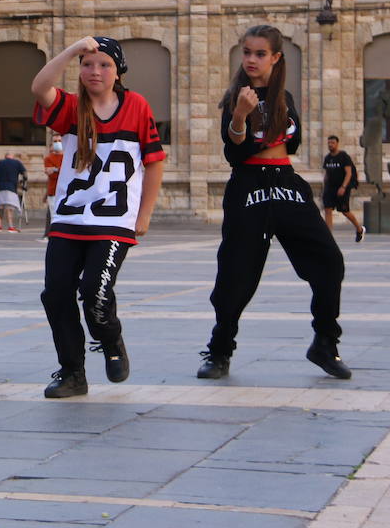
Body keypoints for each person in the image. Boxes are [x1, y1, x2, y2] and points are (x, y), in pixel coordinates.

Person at [197, 25, 350, 382]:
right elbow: (235, 149)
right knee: (236, 273)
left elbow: (289, 146)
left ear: (276, 57)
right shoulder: (236, 97)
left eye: (260, 53)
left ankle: (325, 342)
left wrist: (257, 136)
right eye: (247, 52)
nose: (251, 59)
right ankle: (220, 350)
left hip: (286, 183)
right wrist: (239, 116)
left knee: (329, 261)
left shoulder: (286, 98)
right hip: (248, 185)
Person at [31, 37, 166, 398]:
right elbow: (40, 87)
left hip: (114, 220)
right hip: (70, 218)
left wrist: (144, 213)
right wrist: (73, 49)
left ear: (117, 71)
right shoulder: (71, 107)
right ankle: (72, 370)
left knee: (95, 290)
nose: (95, 71)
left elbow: (154, 162)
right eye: (87, 64)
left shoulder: (136, 105)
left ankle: (110, 340)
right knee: (56, 293)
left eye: (104, 64)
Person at [323, 135, 364, 242]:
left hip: (342, 188)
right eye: (329, 143)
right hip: (330, 188)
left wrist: (343, 187)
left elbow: (349, 173)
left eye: (332, 143)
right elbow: (327, 173)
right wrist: (325, 186)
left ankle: (359, 229)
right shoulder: (328, 158)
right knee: (328, 209)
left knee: (344, 211)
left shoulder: (343, 156)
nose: (330, 145)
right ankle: (329, 236)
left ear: (337, 144)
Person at [0, 152, 27, 232]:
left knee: (0, 207)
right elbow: (25, 173)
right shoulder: (17, 162)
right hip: (11, 187)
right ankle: (10, 226)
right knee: (9, 208)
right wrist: (24, 182)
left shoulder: (0, 162)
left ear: (5, 157)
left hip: (0, 187)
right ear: (12, 157)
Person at [42, 139, 63, 238]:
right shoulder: (48, 158)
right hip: (53, 191)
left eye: (59, 140)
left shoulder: (67, 157)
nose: (57, 143)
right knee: (54, 215)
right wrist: (59, 169)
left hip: (65, 191)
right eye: (55, 141)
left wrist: (55, 169)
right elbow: (49, 173)